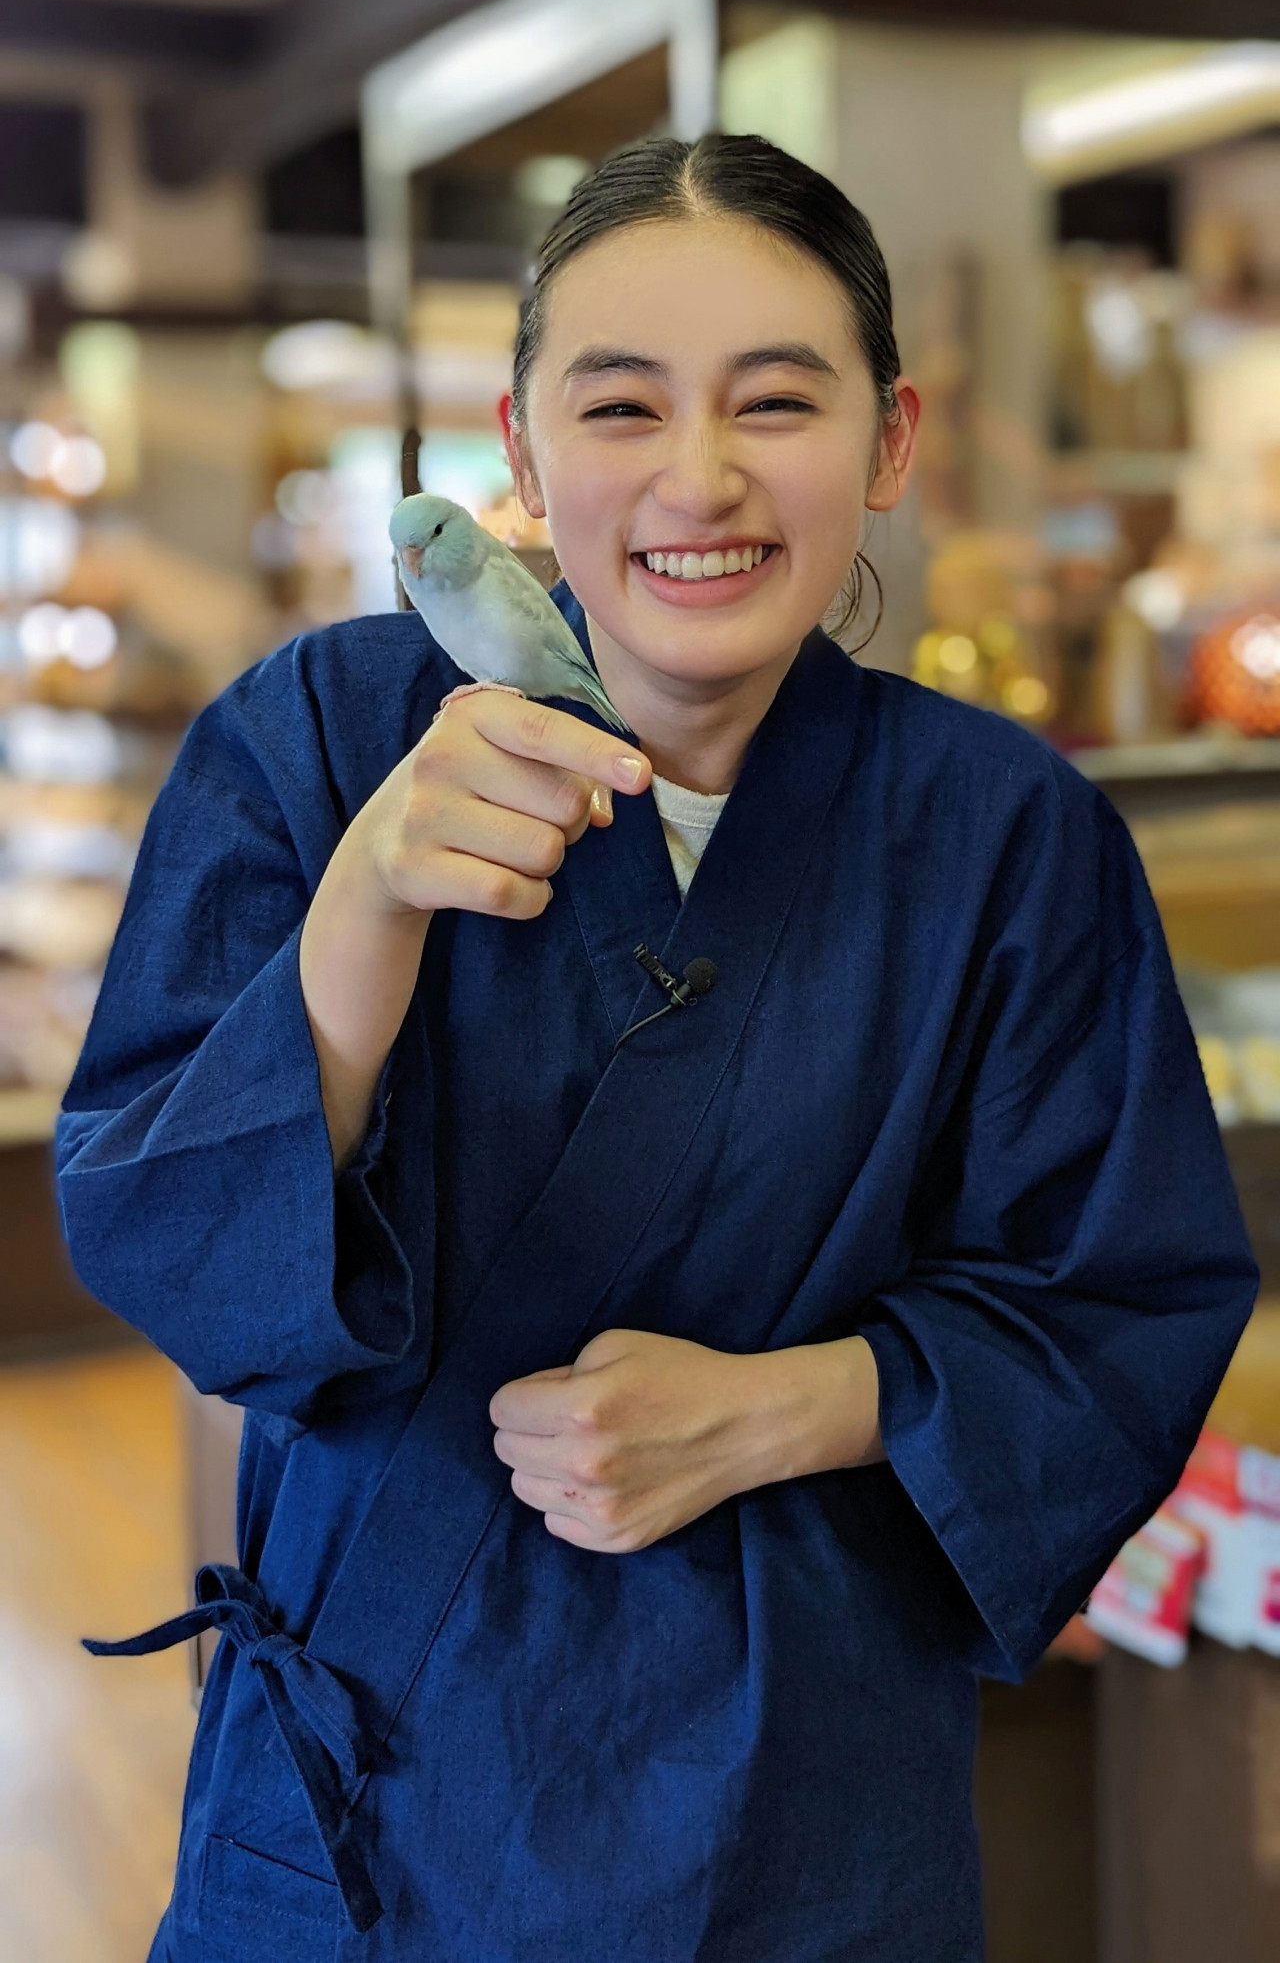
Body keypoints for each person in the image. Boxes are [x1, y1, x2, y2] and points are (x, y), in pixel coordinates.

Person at [58, 134, 1255, 1963]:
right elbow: (168, 1245)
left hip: (796, 1809)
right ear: (523, 455)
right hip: (370, 1810)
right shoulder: (316, 738)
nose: (701, 478)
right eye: (621, 406)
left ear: (890, 441)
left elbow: (1121, 1302)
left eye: (777, 400)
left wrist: (784, 1407)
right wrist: (366, 907)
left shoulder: (1008, 834)